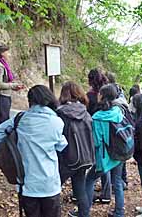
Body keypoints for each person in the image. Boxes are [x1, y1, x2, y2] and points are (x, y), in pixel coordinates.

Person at [0, 85, 68, 217]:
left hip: (27, 186)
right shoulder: (57, 122)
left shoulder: (20, 119)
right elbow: (61, 146)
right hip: (50, 185)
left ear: (30, 101)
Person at [86, 84, 125, 217]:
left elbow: (96, 142)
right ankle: (119, 212)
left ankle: (84, 210)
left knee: (89, 180)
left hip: (104, 157)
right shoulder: (118, 112)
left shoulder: (98, 117)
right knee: (117, 182)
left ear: (103, 96)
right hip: (118, 152)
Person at [57, 81, 95, 217]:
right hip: (85, 158)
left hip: (68, 158)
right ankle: (84, 215)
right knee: (80, 189)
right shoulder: (86, 113)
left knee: (54, 189)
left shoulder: (60, 113)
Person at [86, 69, 111, 204]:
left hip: (94, 129)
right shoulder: (108, 92)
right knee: (104, 160)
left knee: (99, 161)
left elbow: (87, 113)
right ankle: (106, 193)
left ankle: (86, 200)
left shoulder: (90, 95)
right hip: (108, 131)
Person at [0, 44, 24, 126]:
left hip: (3, 96)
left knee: (4, 119)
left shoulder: (2, 65)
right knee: (2, 122)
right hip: (0, 97)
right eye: (7, 52)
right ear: (2, 53)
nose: (9, 54)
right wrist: (13, 85)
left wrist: (13, 86)